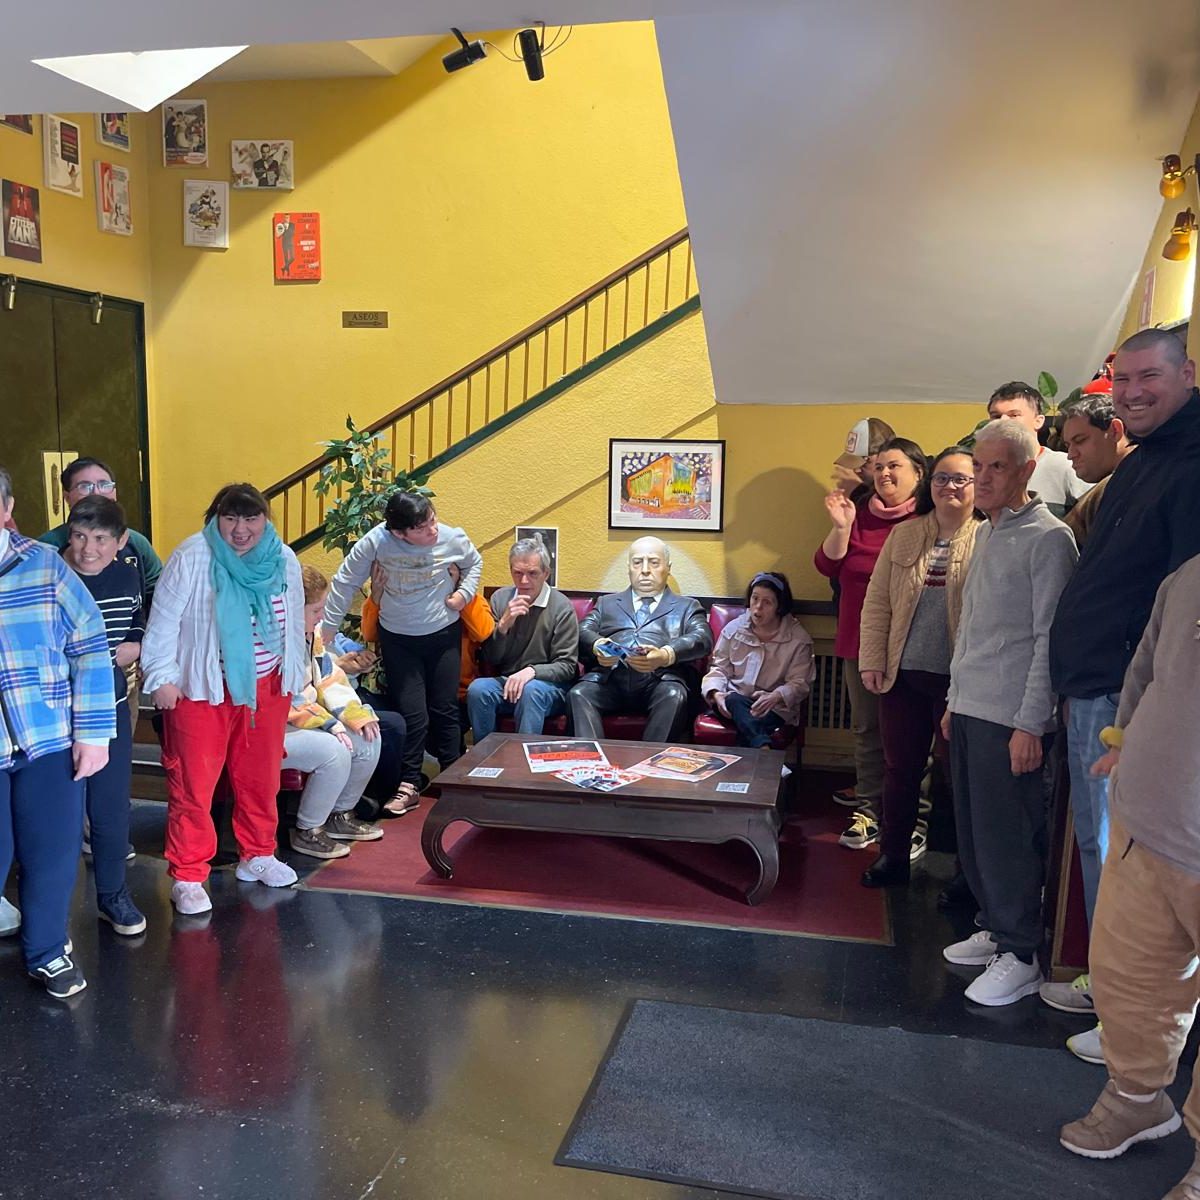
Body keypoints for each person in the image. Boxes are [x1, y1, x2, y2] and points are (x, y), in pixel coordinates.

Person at [1045, 327, 1200, 1059]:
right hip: (1098, 685)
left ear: (1187, 373)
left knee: (1126, 857)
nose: (1133, 392)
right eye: (1124, 380)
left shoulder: (1191, 465)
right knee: (1102, 848)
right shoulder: (1148, 459)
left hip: (1127, 699)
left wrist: (1143, 717)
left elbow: (1184, 611)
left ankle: (1131, 1022)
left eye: (1149, 378)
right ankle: (1114, 990)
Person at [1057, 553, 1200, 1198]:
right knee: (1128, 982)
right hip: (1146, 824)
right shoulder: (1188, 576)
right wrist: (1122, 742)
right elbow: (1145, 666)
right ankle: (1137, 1097)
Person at [939, 421, 1077, 1006]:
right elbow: (972, 628)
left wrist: (1030, 723)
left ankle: (1021, 953)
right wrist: (954, 700)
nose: (984, 477)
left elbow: (1049, 639)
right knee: (974, 833)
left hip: (1011, 716)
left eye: (998, 466)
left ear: (1027, 470)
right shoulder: (988, 532)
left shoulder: (1049, 539)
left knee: (1008, 836)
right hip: (972, 707)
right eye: (979, 466)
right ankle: (997, 928)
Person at [141, 483, 307, 915]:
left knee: (261, 778)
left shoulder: (283, 557)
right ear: (216, 519)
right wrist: (160, 677)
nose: (240, 529)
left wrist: (295, 674)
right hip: (203, 689)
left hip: (266, 688)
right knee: (193, 786)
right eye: (230, 518)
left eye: (251, 518)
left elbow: (293, 625)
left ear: (265, 519)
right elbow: (163, 622)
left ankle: (259, 853)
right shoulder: (193, 555)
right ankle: (188, 874)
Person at [0, 466, 115, 998]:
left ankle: (47, 951)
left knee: (51, 853)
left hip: (47, 738)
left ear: (7, 509)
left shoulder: (45, 566)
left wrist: (92, 732)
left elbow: (89, 646)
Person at [857, 446, 982, 887]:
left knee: (958, 778)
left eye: (961, 478)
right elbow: (877, 603)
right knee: (900, 771)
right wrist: (872, 660)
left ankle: (967, 875)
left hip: (959, 684)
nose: (950, 486)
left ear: (978, 483)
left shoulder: (989, 536)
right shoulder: (905, 534)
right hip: (903, 677)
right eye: (942, 478)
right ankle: (892, 856)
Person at [322, 493, 481, 813]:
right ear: (399, 532)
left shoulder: (450, 537)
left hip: (442, 634)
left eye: (433, 519)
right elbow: (345, 582)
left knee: (444, 708)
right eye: (422, 528)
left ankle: (454, 781)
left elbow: (474, 563)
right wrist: (325, 632)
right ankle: (409, 784)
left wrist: (463, 594)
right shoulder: (376, 543)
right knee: (412, 713)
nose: (433, 530)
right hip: (399, 639)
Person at [814, 436, 926, 850]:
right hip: (858, 640)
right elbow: (826, 564)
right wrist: (841, 527)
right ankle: (869, 813)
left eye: (894, 466)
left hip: (913, 643)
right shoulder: (859, 512)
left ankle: (913, 819)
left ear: (918, 473)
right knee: (866, 730)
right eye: (879, 467)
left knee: (914, 734)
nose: (884, 474)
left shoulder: (929, 519)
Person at [60, 496, 147, 935]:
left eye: (99, 539)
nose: (87, 549)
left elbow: (136, 617)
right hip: (56, 714)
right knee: (57, 816)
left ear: (121, 541)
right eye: (79, 536)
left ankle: (113, 895)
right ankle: (52, 914)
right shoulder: (52, 576)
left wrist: (136, 642)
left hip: (108, 709)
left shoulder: (128, 575)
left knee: (111, 810)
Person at [283, 566, 383, 859]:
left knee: (368, 736)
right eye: (316, 610)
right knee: (334, 750)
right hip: (274, 726)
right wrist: (329, 724)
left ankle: (340, 815)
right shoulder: (272, 640)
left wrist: (354, 714)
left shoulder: (311, 634)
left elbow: (329, 677)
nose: (322, 617)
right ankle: (308, 830)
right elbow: (285, 698)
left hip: (308, 718)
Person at [570, 537, 712, 743]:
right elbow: (582, 630)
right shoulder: (607, 603)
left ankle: (650, 761)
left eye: (654, 562)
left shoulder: (687, 607)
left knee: (674, 694)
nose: (645, 570)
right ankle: (592, 759)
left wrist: (665, 655)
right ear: (629, 568)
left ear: (668, 568)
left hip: (660, 681)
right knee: (579, 693)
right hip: (610, 680)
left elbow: (703, 638)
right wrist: (598, 646)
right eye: (637, 562)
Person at [467, 537, 579, 741]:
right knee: (478, 689)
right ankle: (485, 755)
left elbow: (567, 666)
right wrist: (503, 625)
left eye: (532, 573)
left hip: (548, 686)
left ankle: (522, 756)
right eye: (517, 573)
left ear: (546, 573)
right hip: (509, 682)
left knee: (531, 690)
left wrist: (531, 672)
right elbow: (491, 658)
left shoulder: (561, 607)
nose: (524, 581)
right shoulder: (500, 599)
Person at [700, 571, 814, 747]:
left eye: (767, 602)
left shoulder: (798, 639)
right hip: (733, 700)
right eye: (755, 599)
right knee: (734, 701)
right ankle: (764, 748)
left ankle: (759, 748)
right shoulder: (733, 629)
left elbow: (800, 683)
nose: (758, 607)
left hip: (772, 706)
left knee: (748, 723)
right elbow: (718, 669)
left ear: (779, 606)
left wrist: (776, 696)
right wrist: (716, 694)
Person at [39, 457, 162, 594]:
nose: (97, 493)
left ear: (114, 493)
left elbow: (158, 588)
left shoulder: (136, 543)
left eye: (104, 485)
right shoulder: (47, 546)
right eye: (84, 487)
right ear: (67, 497)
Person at [986, 381, 1091, 517]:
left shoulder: (1066, 466)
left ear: (1038, 421)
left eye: (1014, 415)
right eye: (996, 416)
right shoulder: (983, 472)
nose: (1003, 422)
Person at [1058, 392, 1133, 548]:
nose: (1071, 454)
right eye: (1068, 445)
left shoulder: (1128, 484)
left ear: (1115, 431)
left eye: (1080, 440)